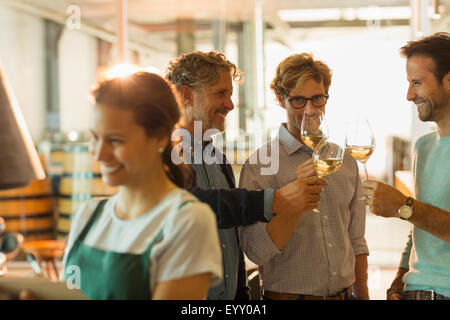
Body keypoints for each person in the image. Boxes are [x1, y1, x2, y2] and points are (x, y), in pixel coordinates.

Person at [165, 51, 326, 300]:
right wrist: (278, 200)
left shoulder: (218, 160)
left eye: (230, 94)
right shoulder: (165, 157)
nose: (230, 105)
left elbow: (232, 243)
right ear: (187, 95)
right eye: (221, 93)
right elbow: (197, 206)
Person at [60, 72, 223, 300]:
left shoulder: (186, 221)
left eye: (115, 140)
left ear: (160, 137)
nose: (99, 153)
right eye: (95, 137)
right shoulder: (88, 215)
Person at [239, 53, 370, 300]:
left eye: (317, 99)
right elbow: (254, 251)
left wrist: (363, 296)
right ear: (281, 99)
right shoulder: (259, 165)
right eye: (298, 100)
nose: (310, 110)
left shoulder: (344, 160)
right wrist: (294, 198)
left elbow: (356, 240)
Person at [362, 32, 450, 300]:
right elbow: (419, 229)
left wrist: (404, 206)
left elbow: (413, 213)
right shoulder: (422, 147)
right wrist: (399, 281)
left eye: (417, 83)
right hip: (414, 291)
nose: (409, 95)